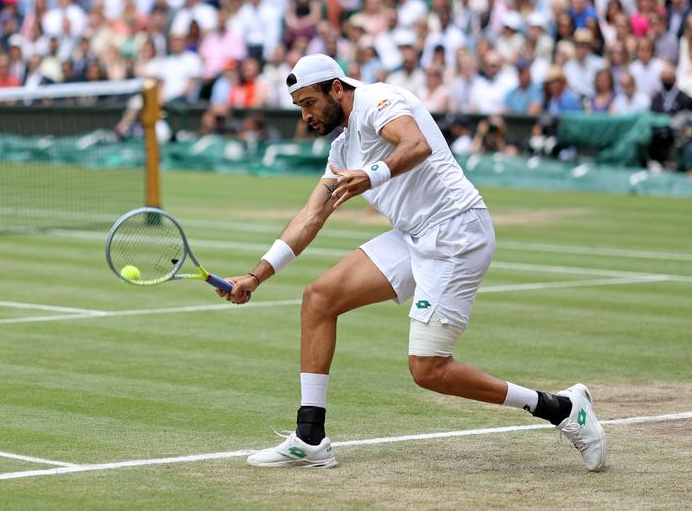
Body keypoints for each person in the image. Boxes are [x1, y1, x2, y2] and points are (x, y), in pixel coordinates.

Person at [216, 54, 606, 472]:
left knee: (428, 369)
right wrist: (257, 275)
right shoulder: (341, 149)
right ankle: (311, 438)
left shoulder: (378, 100)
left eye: (309, 102)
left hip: (457, 233)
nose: (305, 114)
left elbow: (416, 144)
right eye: (299, 107)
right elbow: (311, 216)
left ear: (336, 88)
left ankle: (561, 408)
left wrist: (373, 175)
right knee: (319, 298)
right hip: (415, 235)